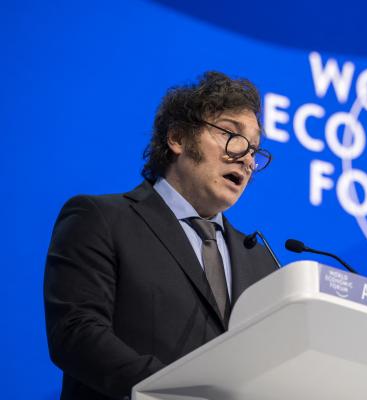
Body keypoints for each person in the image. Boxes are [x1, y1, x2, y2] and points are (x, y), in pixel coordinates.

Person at [44, 71, 278, 400]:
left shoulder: (262, 261)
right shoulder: (101, 219)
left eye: (254, 149)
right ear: (178, 138)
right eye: (231, 134)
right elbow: (76, 334)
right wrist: (176, 392)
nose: (247, 159)